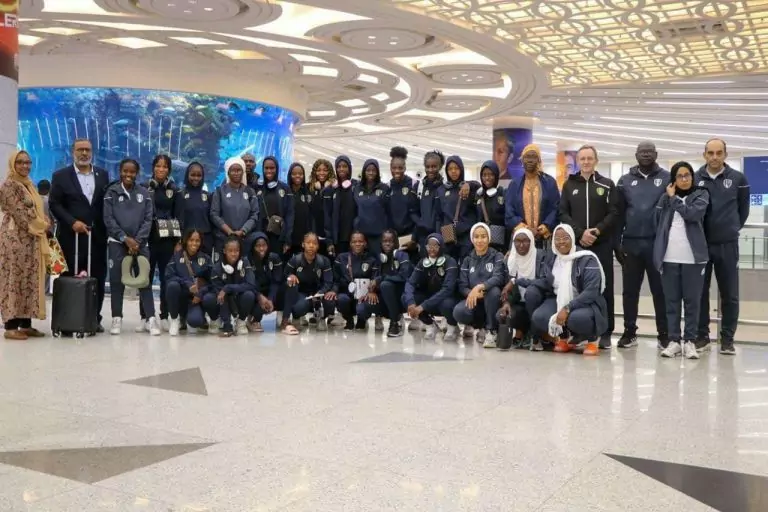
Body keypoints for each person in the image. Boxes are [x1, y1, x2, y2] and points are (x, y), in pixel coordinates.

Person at [558, 145, 619, 349]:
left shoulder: (607, 184)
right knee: (576, 287)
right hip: (578, 247)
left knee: (604, 287)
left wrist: (597, 231)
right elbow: (563, 213)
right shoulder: (569, 185)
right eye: (582, 158)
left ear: (596, 160)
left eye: (589, 158)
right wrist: (579, 233)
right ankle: (579, 331)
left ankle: (606, 331)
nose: (585, 162)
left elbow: (614, 213)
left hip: (601, 244)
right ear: (578, 161)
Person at [695, 138, 750, 355]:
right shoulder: (695, 178)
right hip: (701, 245)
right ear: (704, 154)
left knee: (730, 294)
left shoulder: (738, 179)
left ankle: (727, 339)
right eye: (710, 153)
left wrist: (731, 228)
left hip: (727, 245)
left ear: (725, 155)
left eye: (719, 153)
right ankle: (702, 336)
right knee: (700, 292)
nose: (714, 157)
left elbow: (743, 210)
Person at [49, 138, 110, 331]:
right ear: (72, 152)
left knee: (98, 277)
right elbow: (54, 204)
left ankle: (94, 318)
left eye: (87, 150)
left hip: (97, 237)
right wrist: (71, 222)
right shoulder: (60, 176)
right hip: (71, 238)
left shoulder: (103, 175)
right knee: (70, 276)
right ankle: (68, 318)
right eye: (80, 150)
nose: (84, 153)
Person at [615, 142, 670, 349]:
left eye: (649, 152)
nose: (646, 155)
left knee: (660, 291)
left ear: (656, 154)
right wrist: (617, 243)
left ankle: (663, 334)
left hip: (657, 245)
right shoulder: (625, 181)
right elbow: (618, 214)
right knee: (630, 291)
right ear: (636, 155)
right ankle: (629, 332)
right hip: (631, 244)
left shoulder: (666, 178)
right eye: (642, 152)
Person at [653, 162, 710, 359]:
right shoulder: (664, 197)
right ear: (674, 179)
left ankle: (690, 341)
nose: (684, 179)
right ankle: (674, 341)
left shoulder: (701, 195)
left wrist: (674, 199)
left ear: (692, 177)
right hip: (669, 257)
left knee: (692, 302)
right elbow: (657, 220)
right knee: (671, 301)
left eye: (687, 175)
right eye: (679, 176)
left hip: (693, 258)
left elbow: (692, 215)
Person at [524, 224, 607, 356]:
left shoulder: (586, 258)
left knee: (576, 319)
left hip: (585, 302)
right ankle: (564, 338)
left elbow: (591, 291)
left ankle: (592, 338)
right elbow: (545, 281)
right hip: (557, 298)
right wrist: (517, 281)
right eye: (557, 239)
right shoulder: (552, 258)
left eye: (565, 238)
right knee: (539, 317)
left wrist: (567, 307)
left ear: (573, 238)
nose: (561, 242)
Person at [103, 158, 159, 336]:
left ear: (137, 173)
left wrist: (137, 241)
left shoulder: (144, 193)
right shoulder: (111, 192)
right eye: (125, 171)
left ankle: (150, 319)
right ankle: (116, 318)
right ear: (120, 171)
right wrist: (125, 239)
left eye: (132, 172)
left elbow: (148, 219)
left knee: (144, 281)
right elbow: (108, 219)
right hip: (117, 244)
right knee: (116, 281)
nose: (128, 175)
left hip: (140, 244)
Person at [0, 151, 51, 340]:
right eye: (20, 162)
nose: (25, 166)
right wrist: (42, 225)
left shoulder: (28, 184)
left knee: (29, 279)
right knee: (14, 279)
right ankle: (10, 326)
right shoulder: (8, 185)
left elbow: (35, 208)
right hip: (15, 240)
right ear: (13, 164)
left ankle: (25, 323)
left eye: (28, 162)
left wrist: (43, 220)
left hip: (31, 239)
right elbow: (20, 213)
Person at [139, 154, 178, 333]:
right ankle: (145, 316)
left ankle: (164, 315)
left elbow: (178, 214)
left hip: (167, 240)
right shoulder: (144, 188)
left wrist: (179, 241)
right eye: (158, 166)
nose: (161, 169)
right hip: (148, 239)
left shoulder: (174, 189)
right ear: (153, 167)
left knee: (166, 279)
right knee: (145, 278)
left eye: (165, 166)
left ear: (169, 169)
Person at [453, 223, 506, 348]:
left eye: (483, 236)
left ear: (489, 238)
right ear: (472, 239)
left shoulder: (497, 256)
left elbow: (499, 277)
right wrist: (470, 293)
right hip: (476, 300)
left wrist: (480, 287)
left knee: (494, 292)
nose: (480, 240)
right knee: (459, 312)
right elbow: (462, 285)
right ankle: (480, 328)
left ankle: (491, 331)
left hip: (492, 300)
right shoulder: (468, 259)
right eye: (476, 237)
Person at [403, 233, 460, 342]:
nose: (432, 249)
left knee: (447, 304)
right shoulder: (423, 263)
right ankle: (430, 324)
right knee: (405, 297)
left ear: (441, 247)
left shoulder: (450, 262)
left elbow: (447, 289)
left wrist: (422, 306)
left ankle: (452, 326)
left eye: (435, 246)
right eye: (429, 246)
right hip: (430, 300)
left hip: (445, 300)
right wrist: (411, 302)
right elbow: (410, 283)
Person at [498, 228, 546, 350]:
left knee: (531, 292)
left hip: (539, 303)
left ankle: (536, 336)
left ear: (532, 242)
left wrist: (516, 281)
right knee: (501, 315)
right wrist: (506, 302)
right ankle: (523, 333)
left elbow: (545, 282)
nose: (521, 245)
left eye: (525, 241)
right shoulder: (510, 260)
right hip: (520, 303)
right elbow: (506, 287)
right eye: (517, 241)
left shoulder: (541, 256)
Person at [504, 144, 560, 249]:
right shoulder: (514, 184)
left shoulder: (550, 182)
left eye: (533, 157)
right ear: (522, 161)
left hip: (544, 239)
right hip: (521, 239)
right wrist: (526, 230)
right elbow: (509, 211)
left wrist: (543, 228)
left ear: (539, 160)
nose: (530, 160)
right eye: (527, 157)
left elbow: (556, 208)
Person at [282, 232, 335, 334]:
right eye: (308, 242)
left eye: (314, 243)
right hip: (302, 294)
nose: (311, 245)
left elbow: (328, 282)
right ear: (303, 244)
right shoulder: (295, 259)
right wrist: (290, 276)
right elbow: (285, 275)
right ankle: (297, 317)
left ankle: (322, 318)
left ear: (318, 246)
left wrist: (320, 292)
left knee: (330, 301)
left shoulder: (324, 261)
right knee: (299, 307)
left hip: (319, 292)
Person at [204, 236, 257, 337]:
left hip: (239, 297)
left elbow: (251, 284)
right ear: (224, 251)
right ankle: (217, 320)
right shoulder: (216, 268)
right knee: (208, 298)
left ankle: (241, 322)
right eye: (230, 251)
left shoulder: (244, 262)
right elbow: (221, 297)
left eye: (236, 250)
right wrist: (227, 324)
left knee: (249, 295)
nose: (234, 254)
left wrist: (228, 287)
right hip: (224, 302)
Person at [164, 229, 213, 336]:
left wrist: (200, 293)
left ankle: (196, 316)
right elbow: (169, 276)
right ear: (186, 240)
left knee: (195, 321)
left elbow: (213, 282)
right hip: (181, 296)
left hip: (195, 299)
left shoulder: (206, 259)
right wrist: (187, 283)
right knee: (172, 285)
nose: (194, 243)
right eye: (191, 240)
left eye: (197, 240)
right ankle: (174, 319)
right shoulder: (177, 256)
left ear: (201, 242)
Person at [210, 157, 259, 261]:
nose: (236, 173)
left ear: (243, 172)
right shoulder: (219, 191)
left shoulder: (250, 192)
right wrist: (229, 232)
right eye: (233, 170)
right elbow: (214, 214)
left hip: (244, 239)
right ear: (228, 172)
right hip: (223, 239)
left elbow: (254, 214)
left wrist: (242, 231)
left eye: (239, 170)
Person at [435, 155, 480, 263]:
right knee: (450, 266)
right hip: (448, 235)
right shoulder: (441, 190)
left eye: (456, 168)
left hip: (466, 236)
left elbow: (480, 186)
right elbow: (438, 215)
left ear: (461, 169)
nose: (453, 171)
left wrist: (468, 184)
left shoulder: (469, 189)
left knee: (465, 266)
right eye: (450, 169)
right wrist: (438, 236)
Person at [333, 231, 380, 331]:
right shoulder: (341, 258)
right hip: (346, 294)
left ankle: (361, 320)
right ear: (350, 243)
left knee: (362, 309)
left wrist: (372, 291)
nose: (357, 244)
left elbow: (375, 279)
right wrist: (334, 291)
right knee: (341, 299)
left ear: (365, 243)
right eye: (354, 242)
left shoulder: (372, 260)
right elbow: (335, 279)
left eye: (360, 241)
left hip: (363, 296)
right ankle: (349, 320)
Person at [370, 229, 412, 337]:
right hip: (384, 296)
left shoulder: (402, 255)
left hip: (400, 294)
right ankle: (384, 315)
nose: (387, 243)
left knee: (385, 284)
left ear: (396, 243)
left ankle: (395, 322)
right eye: (385, 241)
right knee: (365, 305)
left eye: (391, 241)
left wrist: (381, 278)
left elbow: (404, 277)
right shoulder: (379, 258)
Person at [257, 156, 293, 257]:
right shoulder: (257, 188)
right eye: (266, 168)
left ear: (277, 169)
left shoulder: (285, 188)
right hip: (261, 236)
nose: (269, 171)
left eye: (272, 168)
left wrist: (287, 239)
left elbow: (290, 214)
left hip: (279, 237)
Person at [174, 162, 213, 255]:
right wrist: (178, 241)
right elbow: (177, 220)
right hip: (186, 240)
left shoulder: (208, 196)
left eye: (199, 175)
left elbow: (212, 219)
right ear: (187, 175)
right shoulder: (180, 195)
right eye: (193, 175)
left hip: (205, 241)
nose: (196, 178)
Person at [352, 159, 390, 256]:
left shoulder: (384, 188)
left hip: (378, 235)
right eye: (368, 170)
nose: (371, 173)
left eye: (374, 170)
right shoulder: (357, 188)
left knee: (377, 263)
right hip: (361, 236)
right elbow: (354, 209)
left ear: (377, 172)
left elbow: (388, 210)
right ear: (364, 171)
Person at [412, 150, 445, 257]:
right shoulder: (419, 187)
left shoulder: (445, 187)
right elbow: (413, 211)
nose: (430, 170)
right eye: (428, 166)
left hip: (441, 237)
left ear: (440, 167)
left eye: (434, 166)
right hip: (423, 237)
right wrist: (421, 224)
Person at [248, 232, 283, 332]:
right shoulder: (247, 260)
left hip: (270, 293)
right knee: (248, 294)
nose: (261, 249)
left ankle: (282, 317)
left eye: (264, 245)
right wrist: (259, 297)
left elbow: (276, 281)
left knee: (286, 286)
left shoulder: (274, 258)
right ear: (253, 247)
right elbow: (249, 283)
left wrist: (271, 299)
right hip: (256, 293)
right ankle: (253, 319)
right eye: (258, 246)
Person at [387, 146, 419, 243]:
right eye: (394, 168)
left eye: (400, 168)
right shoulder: (387, 187)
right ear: (390, 168)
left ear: (405, 167)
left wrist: (415, 236)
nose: (397, 171)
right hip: (392, 237)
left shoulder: (414, 185)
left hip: (410, 236)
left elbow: (419, 213)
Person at [328, 156, 357, 258]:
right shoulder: (333, 189)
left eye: (344, 166)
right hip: (338, 238)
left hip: (353, 237)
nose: (341, 169)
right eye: (339, 166)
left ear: (349, 168)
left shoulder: (355, 186)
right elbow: (329, 214)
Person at [475, 160, 507, 253]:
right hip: (482, 242)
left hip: (499, 242)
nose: (487, 178)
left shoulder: (502, 192)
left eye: (491, 174)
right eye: (484, 175)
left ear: (496, 175)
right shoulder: (479, 195)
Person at [309, 158, 336, 257]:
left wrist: (327, 189)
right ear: (315, 172)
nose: (322, 173)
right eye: (319, 170)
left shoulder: (334, 188)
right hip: (315, 234)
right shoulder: (310, 188)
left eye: (325, 170)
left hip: (329, 236)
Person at [288, 163, 313, 256]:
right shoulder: (286, 191)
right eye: (294, 173)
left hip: (304, 238)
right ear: (289, 175)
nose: (297, 176)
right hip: (289, 238)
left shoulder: (307, 192)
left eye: (300, 173)